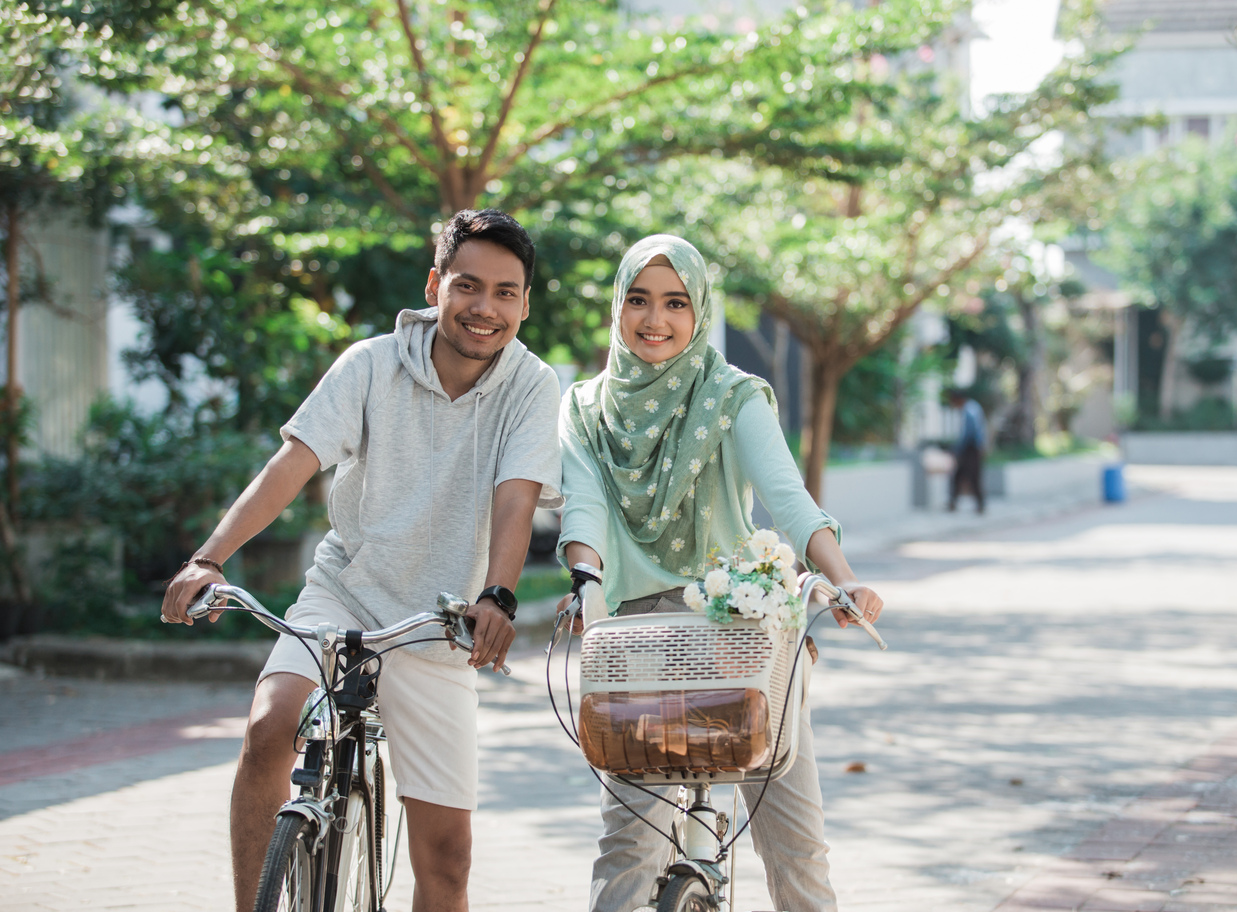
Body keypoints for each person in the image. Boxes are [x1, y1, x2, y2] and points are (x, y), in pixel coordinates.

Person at [159, 209, 563, 912]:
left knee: (447, 862)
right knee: (267, 729)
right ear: (436, 285)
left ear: (525, 304)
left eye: (505, 293)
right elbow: (294, 463)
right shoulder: (372, 365)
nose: (484, 308)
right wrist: (209, 557)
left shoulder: (531, 386)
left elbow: (515, 498)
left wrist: (496, 595)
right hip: (344, 594)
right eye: (468, 286)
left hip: (439, 625)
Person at [556, 235, 884, 912]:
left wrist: (842, 578)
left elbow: (787, 499)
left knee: (794, 841)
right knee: (629, 843)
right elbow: (583, 507)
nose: (656, 320)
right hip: (636, 642)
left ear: (700, 310)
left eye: (676, 302)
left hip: (740, 632)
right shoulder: (586, 409)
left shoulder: (731, 395)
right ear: (617, 308)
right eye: (639, 300)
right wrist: (585, 579)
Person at [947, 389, 986, 514]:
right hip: (973, 448)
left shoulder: (969, 410)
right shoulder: (973, 407)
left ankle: (980, 505)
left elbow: (969, 433)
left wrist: (958, 449)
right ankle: (954, 502)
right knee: (959, 475)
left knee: (973, 476)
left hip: (971, 449)